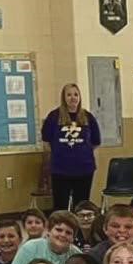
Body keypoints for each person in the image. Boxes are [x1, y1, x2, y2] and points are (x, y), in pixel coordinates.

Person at [41, 83, 102, 212]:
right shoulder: (54, 117)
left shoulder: (88, 117)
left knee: (81, 205)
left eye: (75, 94)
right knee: (60, 206)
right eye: (69, 95)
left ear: (79, 97)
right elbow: (46, 141)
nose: (72, 98)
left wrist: (81, 151)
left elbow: (96, 142)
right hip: (60, 169)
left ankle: (80, 230)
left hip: (84, 169)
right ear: (64, 98)